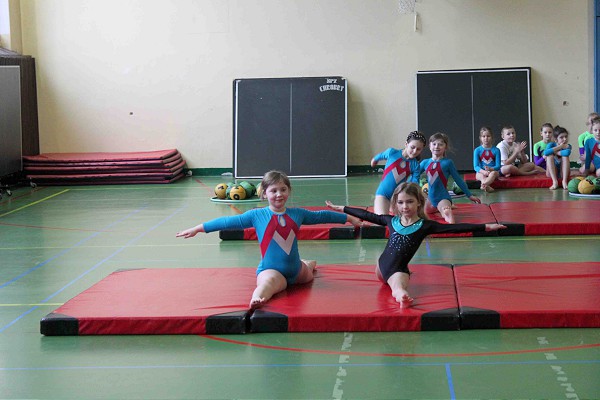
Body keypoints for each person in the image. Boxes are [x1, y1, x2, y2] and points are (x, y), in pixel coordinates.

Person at [176, 170, 361, 309]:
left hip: (296, 270)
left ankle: (308, 264)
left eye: (283, 189)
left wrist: (349, 218)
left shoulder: (298, 214)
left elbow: (322, 216)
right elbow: (226, 222)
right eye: (274, 190)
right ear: (264, 193)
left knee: (308, 274)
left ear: (289, 191)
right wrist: (198, 228)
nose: (279, 194)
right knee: (268, 285)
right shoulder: (256, 215)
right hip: (271, 270)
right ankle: (256, 298)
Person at [326, 182, 506, 308]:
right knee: (394, 280)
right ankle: (399, 291)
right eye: (401, 202)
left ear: (419, 202)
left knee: (398, 287)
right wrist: (342, 208)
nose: (405, 206)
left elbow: (457, 228)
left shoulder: (425, 226)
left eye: (410, 201)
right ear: (396, 204)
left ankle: (402, 297)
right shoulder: (391, 220)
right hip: (380, 267)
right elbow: (367, 215)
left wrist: (486, 226)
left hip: (397, 271)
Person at [419, 132, 480, 224]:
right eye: (434, 144)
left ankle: (447, 208)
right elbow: (414, 175)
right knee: (420, 211)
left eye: (440, 144)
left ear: (445, 147)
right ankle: (440, 208)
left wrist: (469, 195)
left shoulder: (447, 163)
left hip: (442, 198)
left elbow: (458, 179)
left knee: (446, 211)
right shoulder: (425, 162)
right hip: (430, 199)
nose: (437, 147)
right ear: (429, 146)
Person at [371, 131, 427, 215]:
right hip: (383, 194)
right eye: (412, 147)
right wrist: (374, 160)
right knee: (382, 218)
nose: (415, 151)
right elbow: (380, 156)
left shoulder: (415, 165)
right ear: (406, 144)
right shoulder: (392, 153)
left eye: (418, 149)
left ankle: (393, 207)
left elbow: (414, 183)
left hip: (399, 199)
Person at [473, 126, 501, 192]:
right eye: (483, 136)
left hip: (493, 171)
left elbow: (498, 166)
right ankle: (486, 186)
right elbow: (476, 166)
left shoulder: (496, 150)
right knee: (481, 176)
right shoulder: (477, 150)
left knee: (493, 174)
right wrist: (484, 172)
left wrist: (490, 169)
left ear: (492, 137)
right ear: (480, 138)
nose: (486, 138)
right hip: (481, 172)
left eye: (488, 136)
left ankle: (483, 185)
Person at [543, 125, 572, 190]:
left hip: (563, 172)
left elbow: (567, 153)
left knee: (565, 156)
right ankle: (555, 181)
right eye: (561, 137)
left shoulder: (567, 146)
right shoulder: (551, 144)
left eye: (566, 137)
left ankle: (564, 181)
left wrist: (554, 152)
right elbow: (546, 153)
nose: (565, 139)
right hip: (551, 172)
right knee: (549, 156)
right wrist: (559, 147)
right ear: (556, 139)